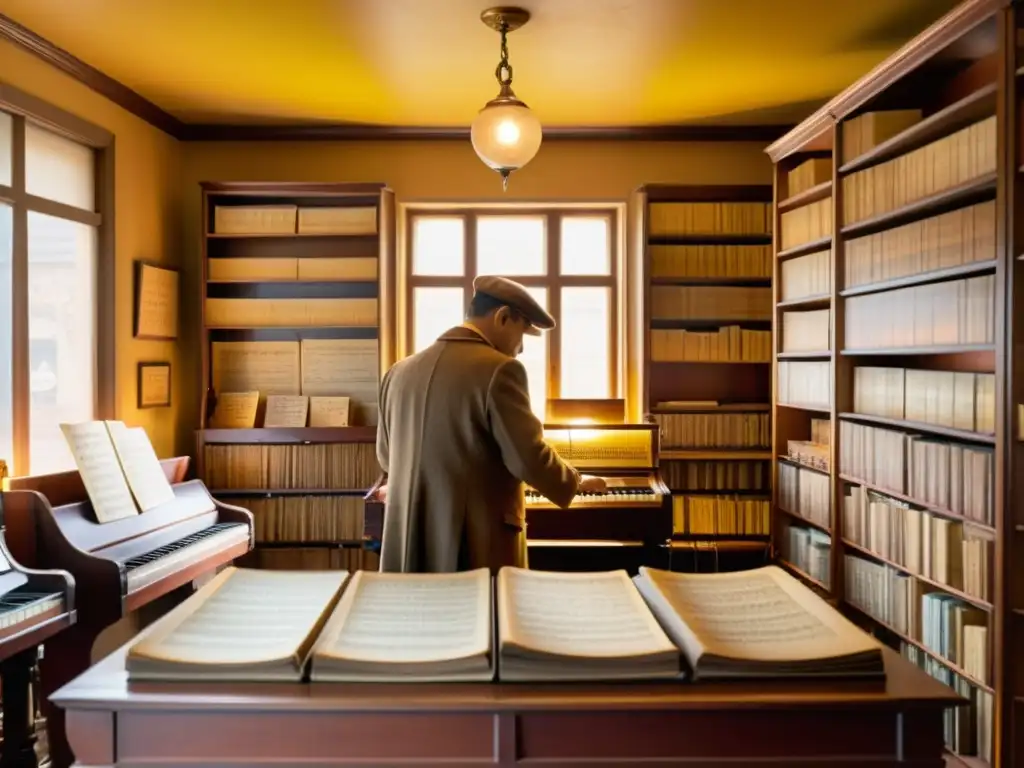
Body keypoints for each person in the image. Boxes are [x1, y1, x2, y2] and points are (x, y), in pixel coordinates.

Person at [375, 275, 607, 573]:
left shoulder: (398, 372)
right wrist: (575, 482)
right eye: (522, 332)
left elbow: (386, 456)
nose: (521, 347)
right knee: (484, 616)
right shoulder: (501, 369)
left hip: (407, 547)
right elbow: (528, 458)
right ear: (503, 317)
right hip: (471, 548)